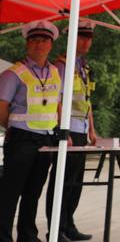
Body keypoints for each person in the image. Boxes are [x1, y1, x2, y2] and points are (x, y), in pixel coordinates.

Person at [0, 21, 62, 242]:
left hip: (46, 138)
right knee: (10, 192)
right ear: (27, 44)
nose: (39, 44)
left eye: (44, 40)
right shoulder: (14, 73)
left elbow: (57, 104)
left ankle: (27, 236)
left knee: (33, 192)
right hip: (22, 138)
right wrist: (14, 129)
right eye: (34, 40)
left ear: (51, 44)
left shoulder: (55, 72)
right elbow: (1, 108)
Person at [46, 20, 97, 241]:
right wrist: (62, 130)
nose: (86, 41)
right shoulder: (61, 66)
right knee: (62, 181)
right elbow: (56, 99)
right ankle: (56, 229)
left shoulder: (83, 67)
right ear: (71, 39)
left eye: (88, 37)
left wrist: (93, 130)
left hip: (81, 130)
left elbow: (87, 101)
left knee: (75, 182)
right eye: (81, 36)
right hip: (67, 131)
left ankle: (69, 224)